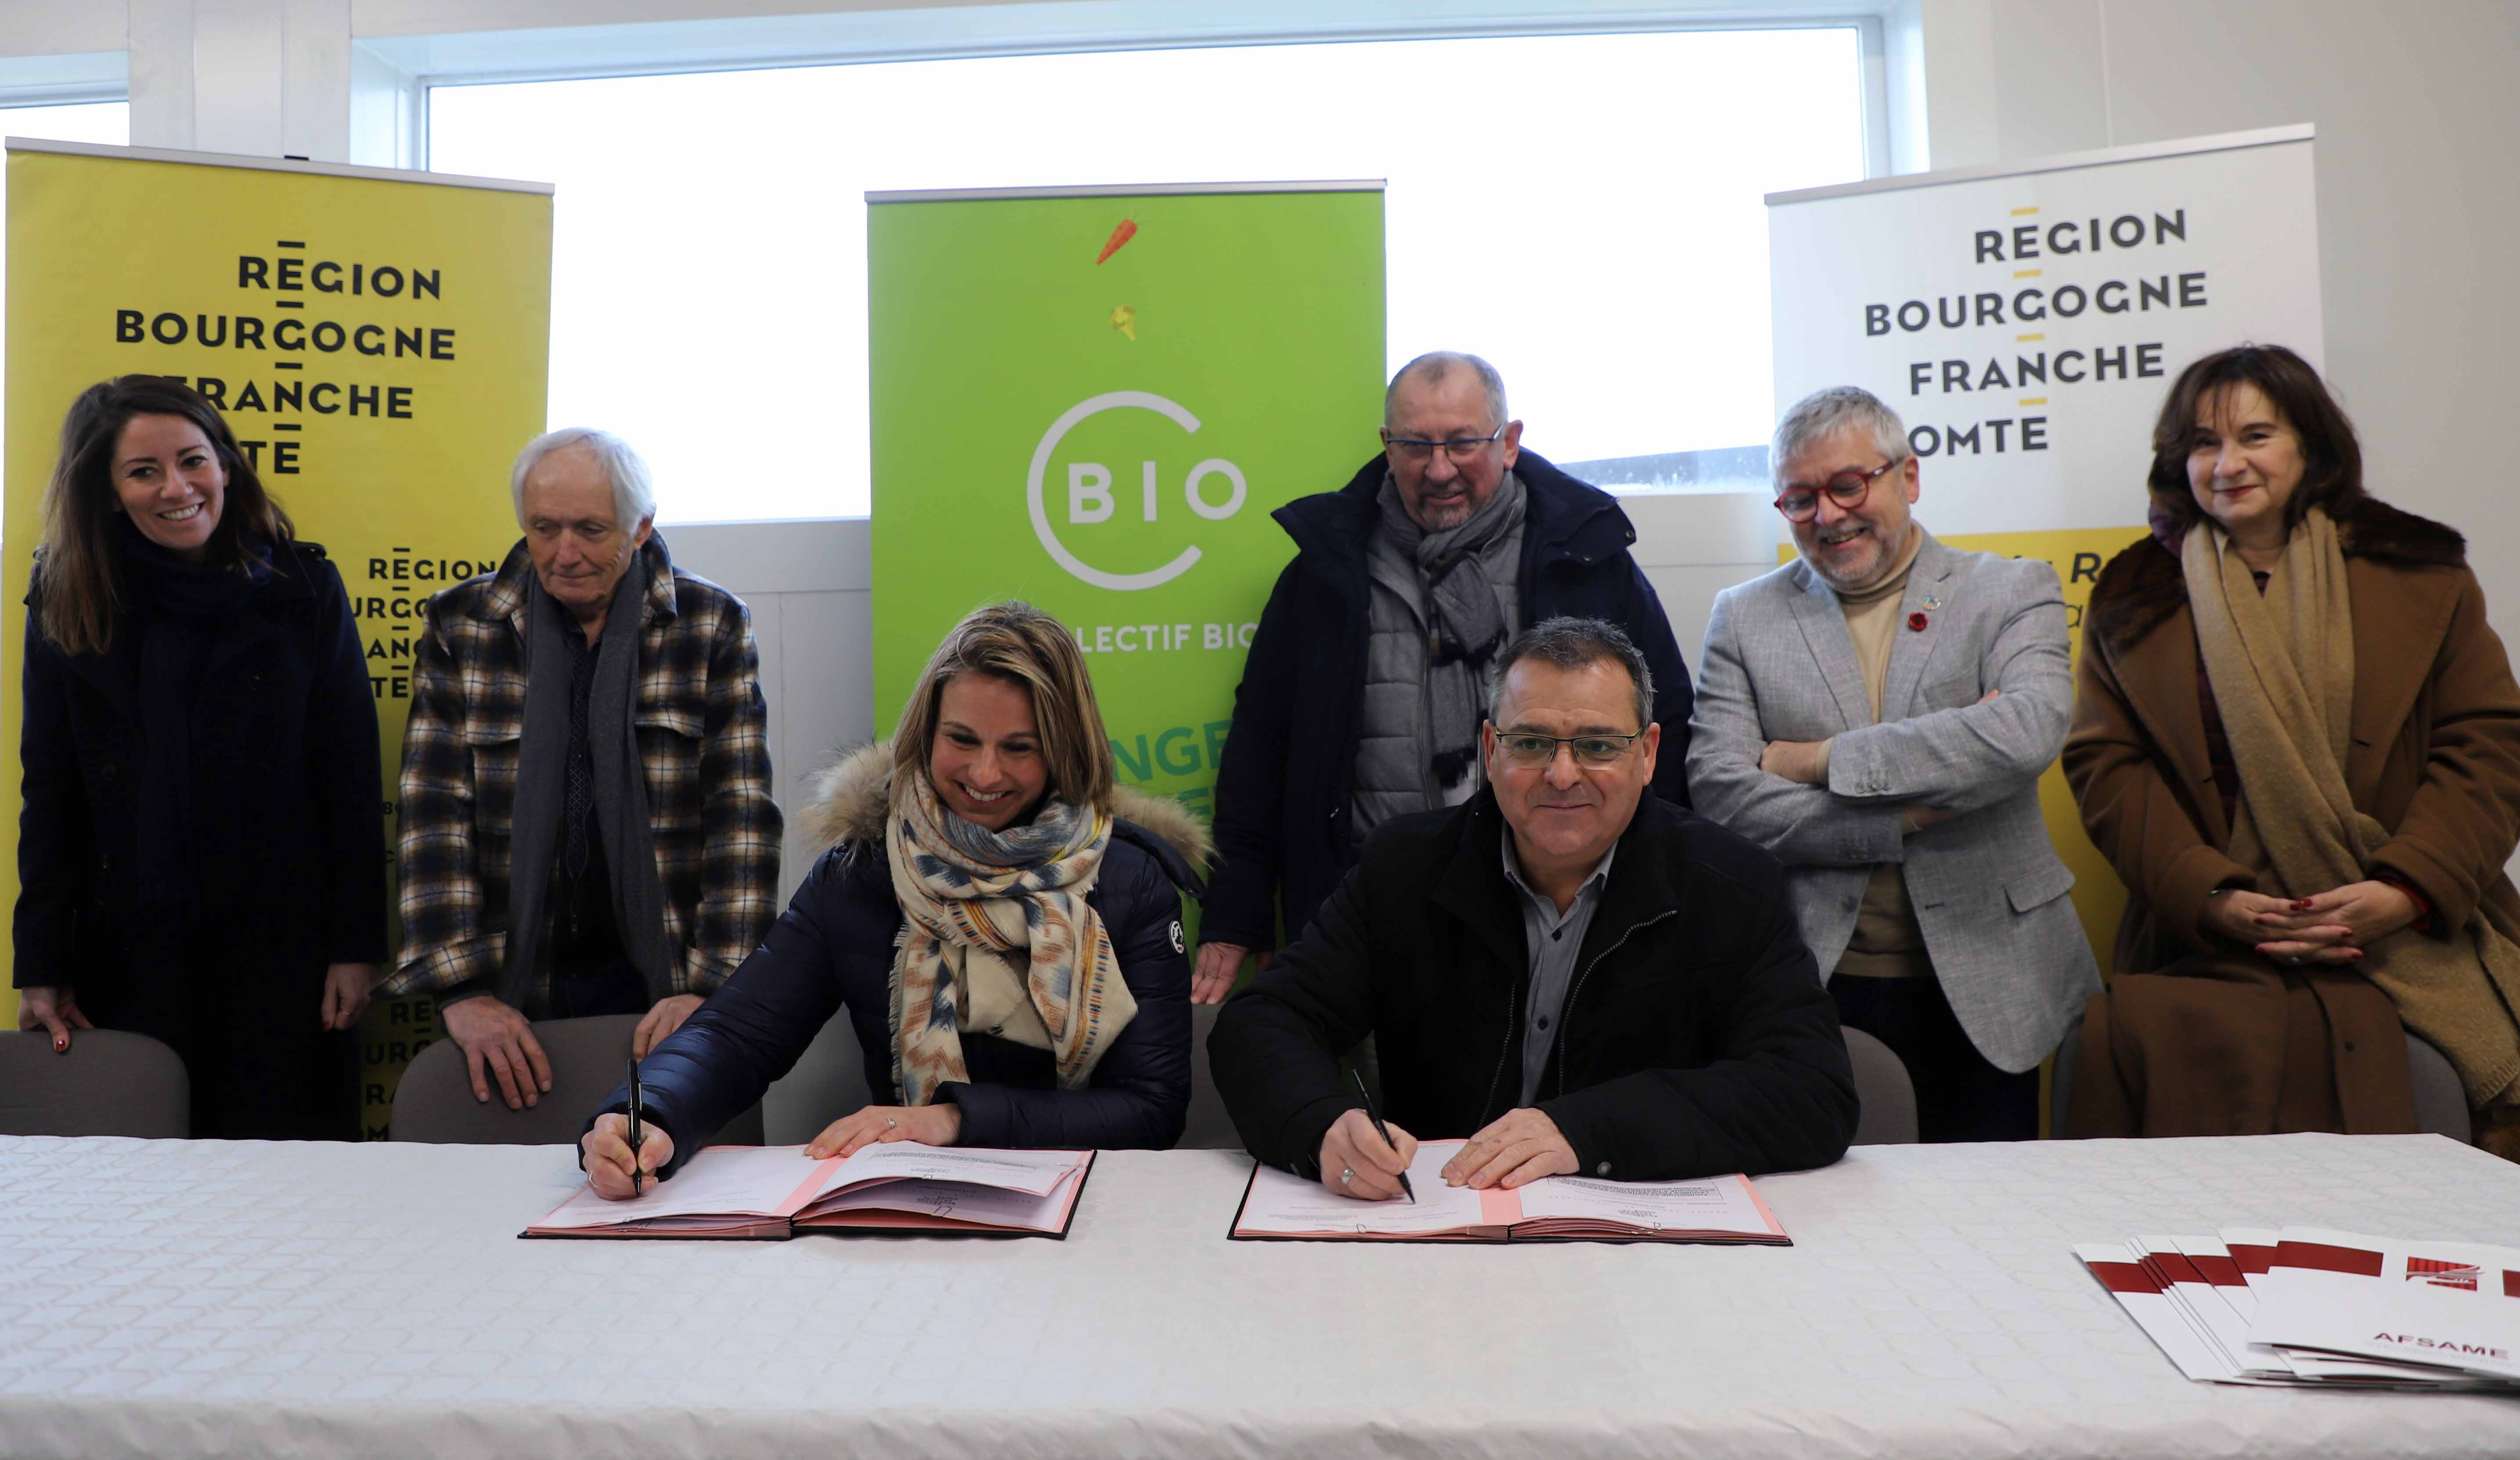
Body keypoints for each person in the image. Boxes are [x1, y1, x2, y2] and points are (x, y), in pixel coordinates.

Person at [2066, 343, 2520, 1187]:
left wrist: (2405, 888)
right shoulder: (2134, 595)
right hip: (2214, 936)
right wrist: (2215, 896)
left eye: (2255, 436)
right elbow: (2107, 768)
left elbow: (2491, 741)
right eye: (2202, 443)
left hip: (2415, 923)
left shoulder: (2417, 571)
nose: (2226, 464)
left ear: (2309, 444)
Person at [1208, 617, 1854, 1198]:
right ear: (1490, 750)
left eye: (1599, 746)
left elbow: (1809, 1090)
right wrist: (1321, 1122)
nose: (1563, 774)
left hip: (1643, 1246)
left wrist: (1584, 1131)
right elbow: (1264, 1022)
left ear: (1648, 753)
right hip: (1438, 1228)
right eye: (1531, 743)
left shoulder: (1732, 883)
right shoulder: (1403, 866)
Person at [578, 603, 1199, 1194]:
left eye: (1019, 747)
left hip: (1085, 1213)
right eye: (961, 739)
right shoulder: (860, 869)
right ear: (923, 733)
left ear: (1066, 750)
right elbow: (736, 1036)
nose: (984, 775)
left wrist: (952, 1121)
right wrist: (646, 1116)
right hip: (911, 1205)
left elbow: (1149, 1110)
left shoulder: (1128, 882)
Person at [1197, 351, 1696, 1004]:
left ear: (1509, 442)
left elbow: (1668, 736)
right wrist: (1237, 913)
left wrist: (1666, 903)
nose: (1439, 470)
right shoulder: (1326, 574)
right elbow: (1261, 747)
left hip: (1561, 916)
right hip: (1372, 921)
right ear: (1386, 445)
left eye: (1463, 444)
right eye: (1415, 446)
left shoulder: (1587, 562)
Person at [1687, 387, 2099, 1142]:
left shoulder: (2009, 589)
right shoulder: (1743, 616)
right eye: (1800, 498)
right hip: (1815, 978)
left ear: (1907, 477)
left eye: (1848, 485)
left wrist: (1813, 760)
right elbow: (1722, 796)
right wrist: (1905, 815)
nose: (1829, 515)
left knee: (1989, 1226)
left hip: (1993, 979)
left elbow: (2023, 732)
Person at [14, 375, 383, 1139]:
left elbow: (349, 780)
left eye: (193, 461)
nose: (176, 489)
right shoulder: (66, 593)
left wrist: (356, 948)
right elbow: (51, 790)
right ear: (109, 491)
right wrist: (41, 962)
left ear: (227, 466)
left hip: (286, 957)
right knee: (136, 1203)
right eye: (144, 471)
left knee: (295, 1194)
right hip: (127, 956)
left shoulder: (302, 586)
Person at [384, 427, 782, 1111]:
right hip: (509, 979)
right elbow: (433, 810)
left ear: (640, 527)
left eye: (591, 530)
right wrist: (462, 990)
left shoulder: (710, 623)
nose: (564, 554)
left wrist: (711, 988)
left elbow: (739, 814)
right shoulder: (463, 623)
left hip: (663, 978)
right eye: (544, 528)